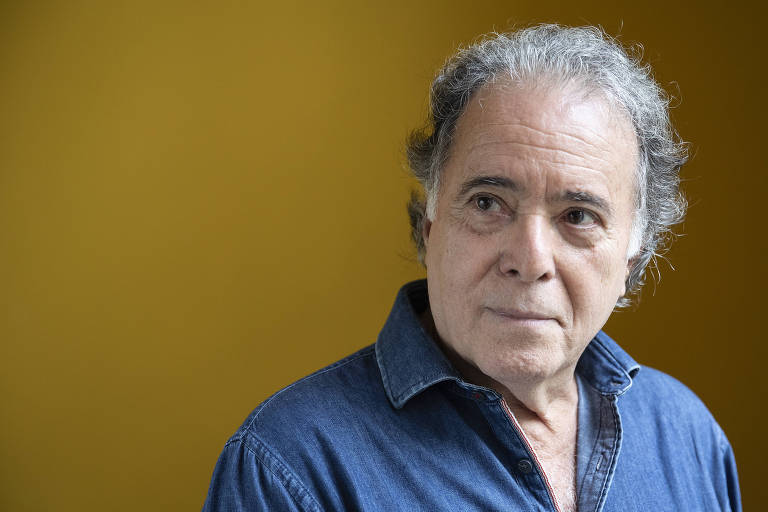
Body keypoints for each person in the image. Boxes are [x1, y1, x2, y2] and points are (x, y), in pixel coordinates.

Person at [202, 25, 741, 511]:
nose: (529, 261)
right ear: (430, 227)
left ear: (632, 257)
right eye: (487, 203)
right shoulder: (288, 466)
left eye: (578, 216)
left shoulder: (688, 436)